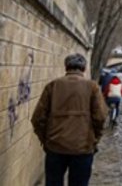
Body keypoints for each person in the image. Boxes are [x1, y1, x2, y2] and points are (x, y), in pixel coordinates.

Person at [31, 53, 107, 186]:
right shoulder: (92, 87)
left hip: (55, 147)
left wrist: (46, 140)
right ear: (83, 69)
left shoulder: (52, 86)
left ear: (66, 67)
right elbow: (100, 118)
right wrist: (94, 140)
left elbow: (37, 118)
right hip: (82, 148)